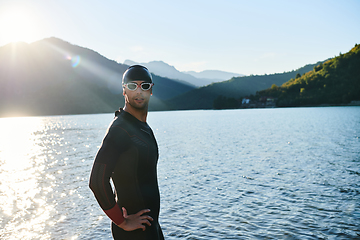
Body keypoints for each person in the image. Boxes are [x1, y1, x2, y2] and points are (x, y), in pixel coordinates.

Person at [89, 65, 164, 239]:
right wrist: (122, 222)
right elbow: (97, 180)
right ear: (124, 91)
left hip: (150, 227)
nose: (139, 91)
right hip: (133, 232)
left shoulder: (142, 128)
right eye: (132, 86)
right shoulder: (120, 129)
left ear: (151, 90)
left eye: (144, 86)